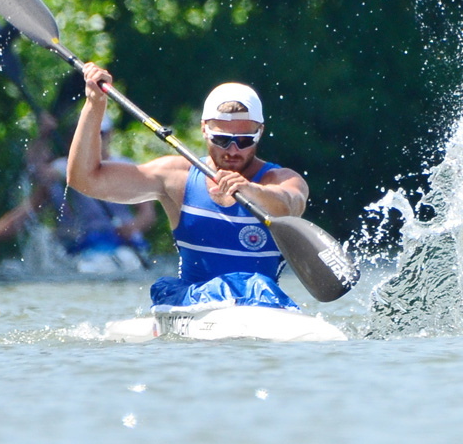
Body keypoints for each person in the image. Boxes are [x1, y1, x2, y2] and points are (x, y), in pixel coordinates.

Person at [66, 69, 306, 309]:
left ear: (260, 131)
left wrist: (253, 191)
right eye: (222, 140)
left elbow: (290, 203)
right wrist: (94, 104)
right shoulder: (176, 177)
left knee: (256, 285)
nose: (233, 150)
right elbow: (84, 180)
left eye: (244, 141)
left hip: (262, 303)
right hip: (193, 304)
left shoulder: (280, 179)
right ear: (204, 129)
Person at [0, 111, 155, 270]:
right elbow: (34, 177)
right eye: (89, 132)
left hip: (124, 248)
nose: (95, 139)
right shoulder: (64, 168)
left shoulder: (127, 168)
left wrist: (132, 227)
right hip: (84, 252)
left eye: (100, 134)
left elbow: (148, 215)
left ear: (110, 135)